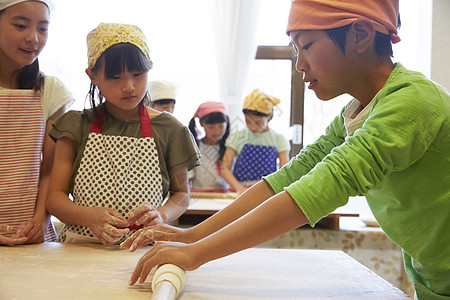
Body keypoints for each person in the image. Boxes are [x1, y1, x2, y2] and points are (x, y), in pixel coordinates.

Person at [122, 1, 450, 299]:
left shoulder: (412, 102)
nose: (300, 64)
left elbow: (326, 184)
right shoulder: (357, 111)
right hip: (431, 275)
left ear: (360, 35)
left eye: (306, 45)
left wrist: (197, 253)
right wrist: (193, 236)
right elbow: (292, 175)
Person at [46, 23, 200, 245]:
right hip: (79, 248)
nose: (129, 86)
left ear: (150, 67)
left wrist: (162, 214)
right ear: (92, 76)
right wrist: (88, 217)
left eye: (138, 74)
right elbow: (55, 199)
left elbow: (182, 196)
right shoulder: (76, 125)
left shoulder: (170, 130)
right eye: (115, 77)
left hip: (142, 250)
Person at [0, 0, 74, 245]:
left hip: (32, 237)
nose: (33, 38)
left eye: (43, 29)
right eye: (20, 25)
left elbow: (50, 170)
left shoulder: (51, 91)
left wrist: (40, 221)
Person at [221, 88, 290, 194]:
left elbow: (284, 171)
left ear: (270, 115)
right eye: (248, 121)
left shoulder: (279, 139)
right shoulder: (236, 136)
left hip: (267, 192)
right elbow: (225, 169)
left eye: (258, 123)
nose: (252, 126)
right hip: (239, 192)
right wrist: (239, 188)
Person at [188, 101, 230, 193]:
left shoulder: (229, 148)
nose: (217, 131)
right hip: (200, 196)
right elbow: (187, 177)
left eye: (221, 126)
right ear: (201, 123)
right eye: (211, 127)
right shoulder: (194, 146)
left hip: (223, 196)